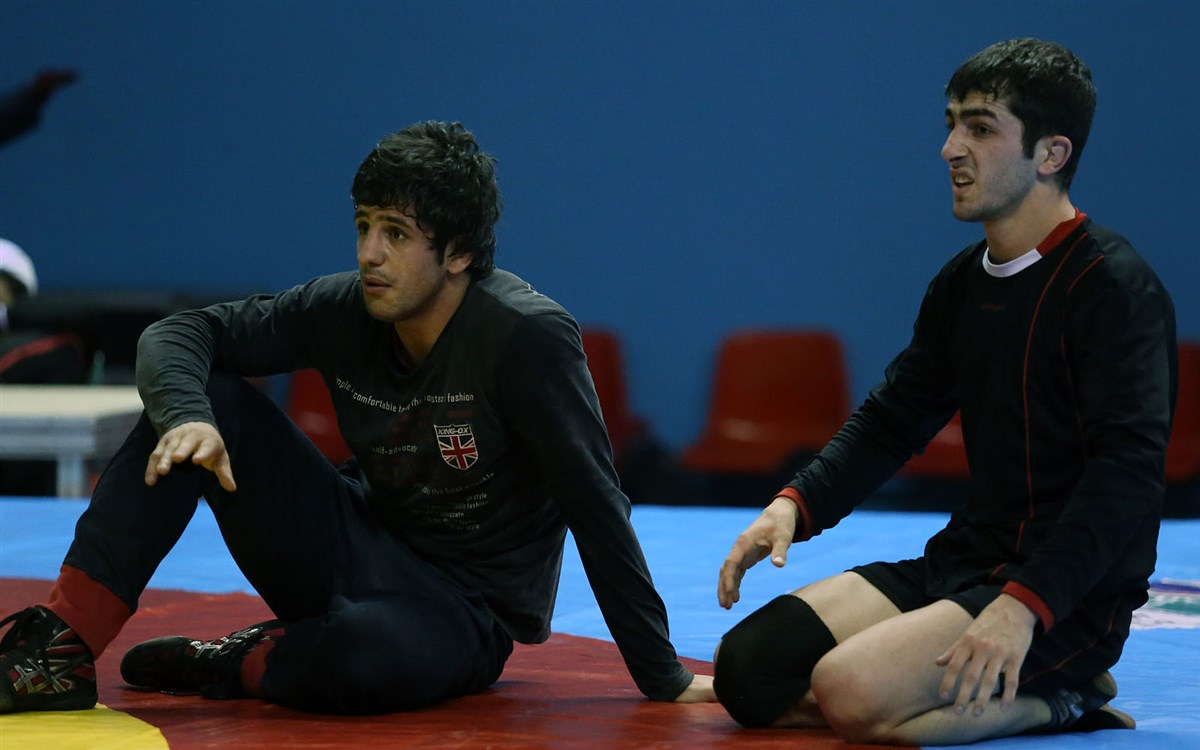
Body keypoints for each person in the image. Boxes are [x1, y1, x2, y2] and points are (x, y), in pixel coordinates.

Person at [0, 120, 715, 714]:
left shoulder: (526, 338)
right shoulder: (346, 307)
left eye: (396, 234)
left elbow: (594, 503)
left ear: (460, 252)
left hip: (465, 609)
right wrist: (190, 416)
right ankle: (57, 651)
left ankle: (237, 660)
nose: (370, 253)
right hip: (351, 543)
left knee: (367, 656)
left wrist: (662, 675)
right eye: (364, 226)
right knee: (202, 402)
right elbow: (179, 333)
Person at [712, 38, 1176, 745]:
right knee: (746, 672)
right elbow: (894, 419)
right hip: (963, 562)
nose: (951, 149)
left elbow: (1129, 474)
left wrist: (1025, 605)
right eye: (952, 123)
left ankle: (1065, 697)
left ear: (1051, 155)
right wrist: (794, 505)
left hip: (1072, 595)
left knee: (850, 692)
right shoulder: (963, 282)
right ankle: (946, 695)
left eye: (981, 128)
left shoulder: (1114, 286)